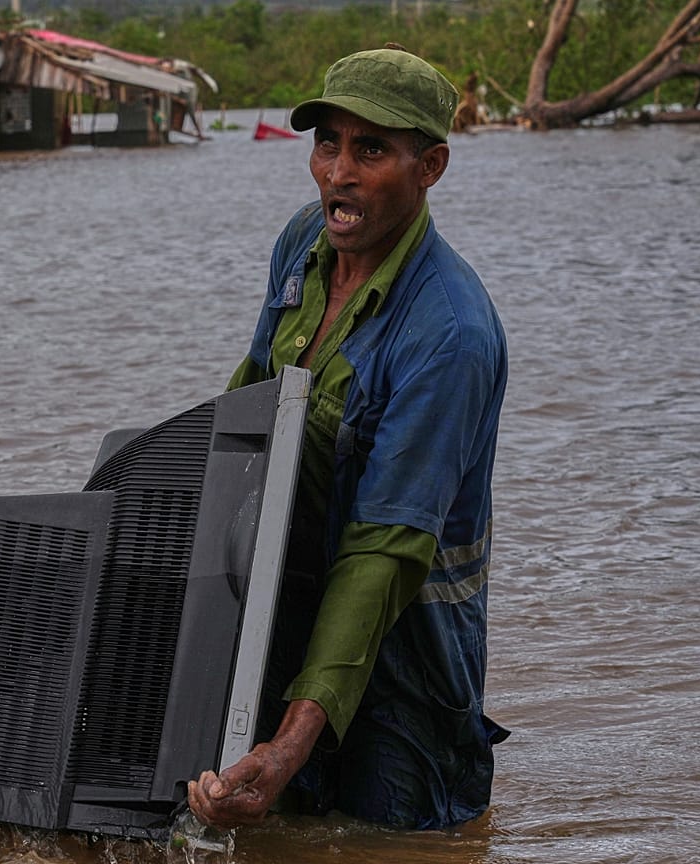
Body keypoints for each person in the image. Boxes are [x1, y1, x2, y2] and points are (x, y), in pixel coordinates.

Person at [187, 46, 509, 831]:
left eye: (370, 150)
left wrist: (288, 746)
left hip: (408, 649)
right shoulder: (304, 243)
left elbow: (382, 553)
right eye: (327, 143)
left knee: (391, 839)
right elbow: (247, 410)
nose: (338, 173)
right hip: (290, 605)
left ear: (429, 167)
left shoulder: (449, 334)